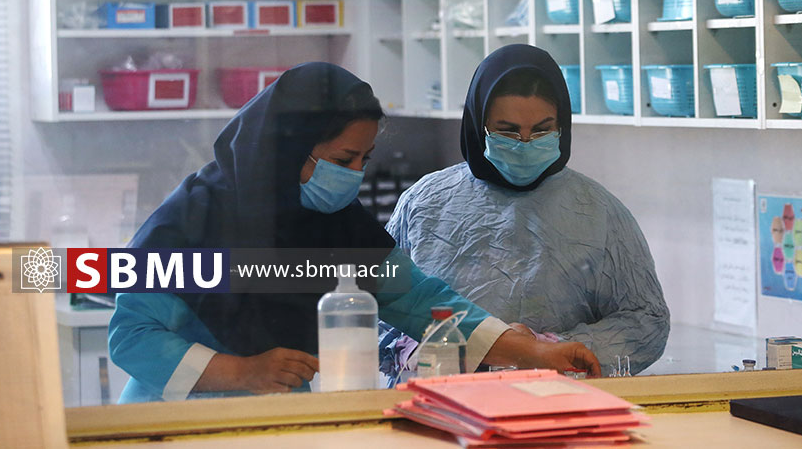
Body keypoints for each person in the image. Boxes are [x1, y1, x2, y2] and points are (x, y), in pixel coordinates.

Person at [109, 62, 599, 403]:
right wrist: (243, 371)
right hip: (176, 424)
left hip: (277, 420)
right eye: (342, 160)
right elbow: (132, 338)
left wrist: (536, 352)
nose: (353, 177)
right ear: (286, 150)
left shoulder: (336, 223)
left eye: (364, 160)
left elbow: (422, 302)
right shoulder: (196, 220)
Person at [384, 45, 670, 375]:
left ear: (561, 126)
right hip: (436, 391)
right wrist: (417, 349)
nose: (524, 143)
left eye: (541, 130)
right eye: (507, 131)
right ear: (479, 125)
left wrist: (548, 347)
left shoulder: (599, 211)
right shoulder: (424, 203)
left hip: (556, 395)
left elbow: (647, 321)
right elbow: (372, 304)